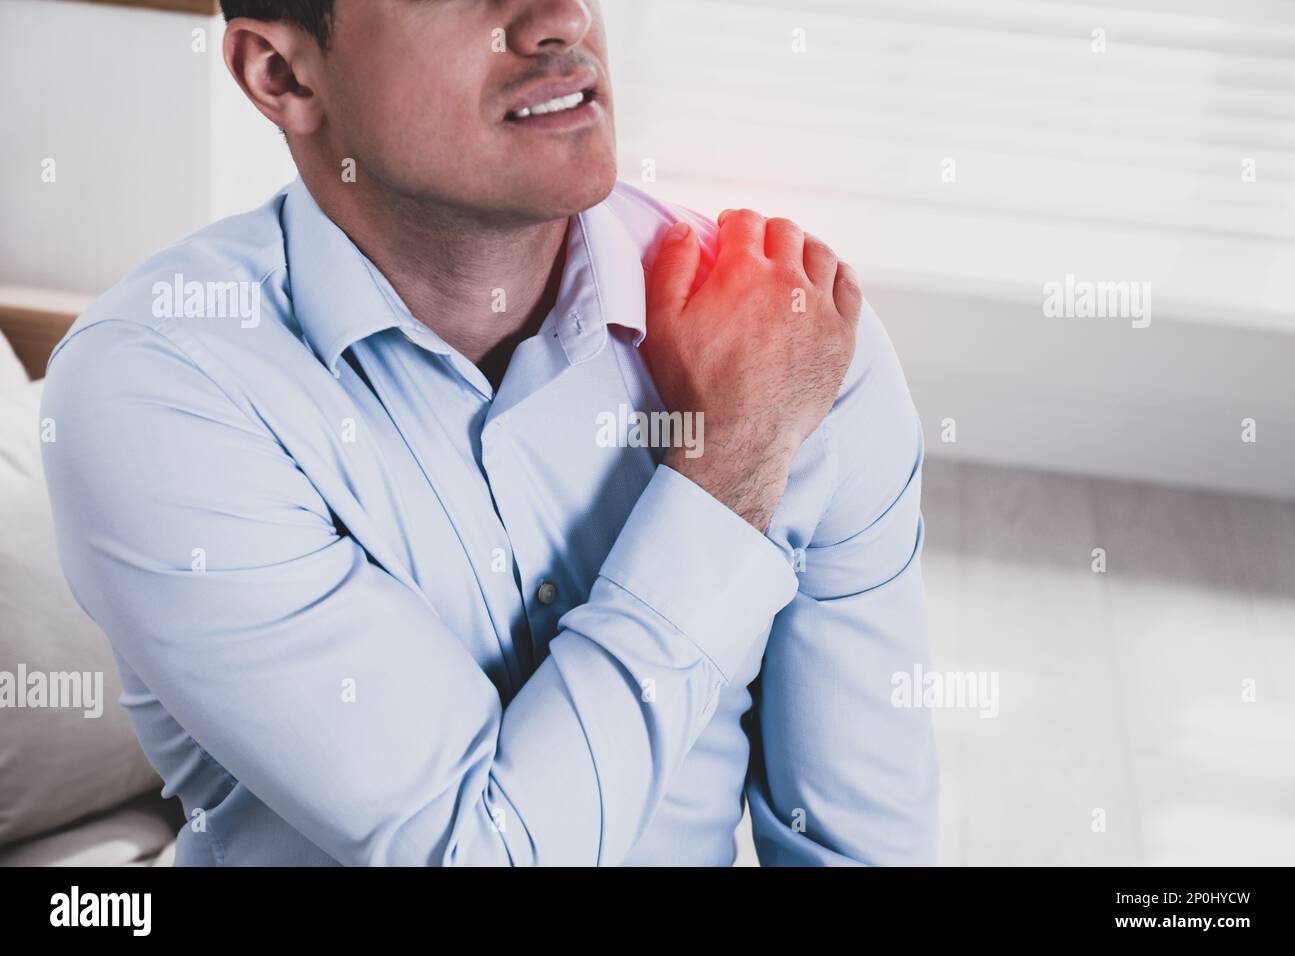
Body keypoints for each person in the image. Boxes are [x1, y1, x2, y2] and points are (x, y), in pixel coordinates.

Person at [40, 0, 938, 866]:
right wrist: (726, 473)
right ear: (283, 74)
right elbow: (476, 851)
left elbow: (857, 847)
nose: (563, 18)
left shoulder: (798, 342)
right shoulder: (160, 388)